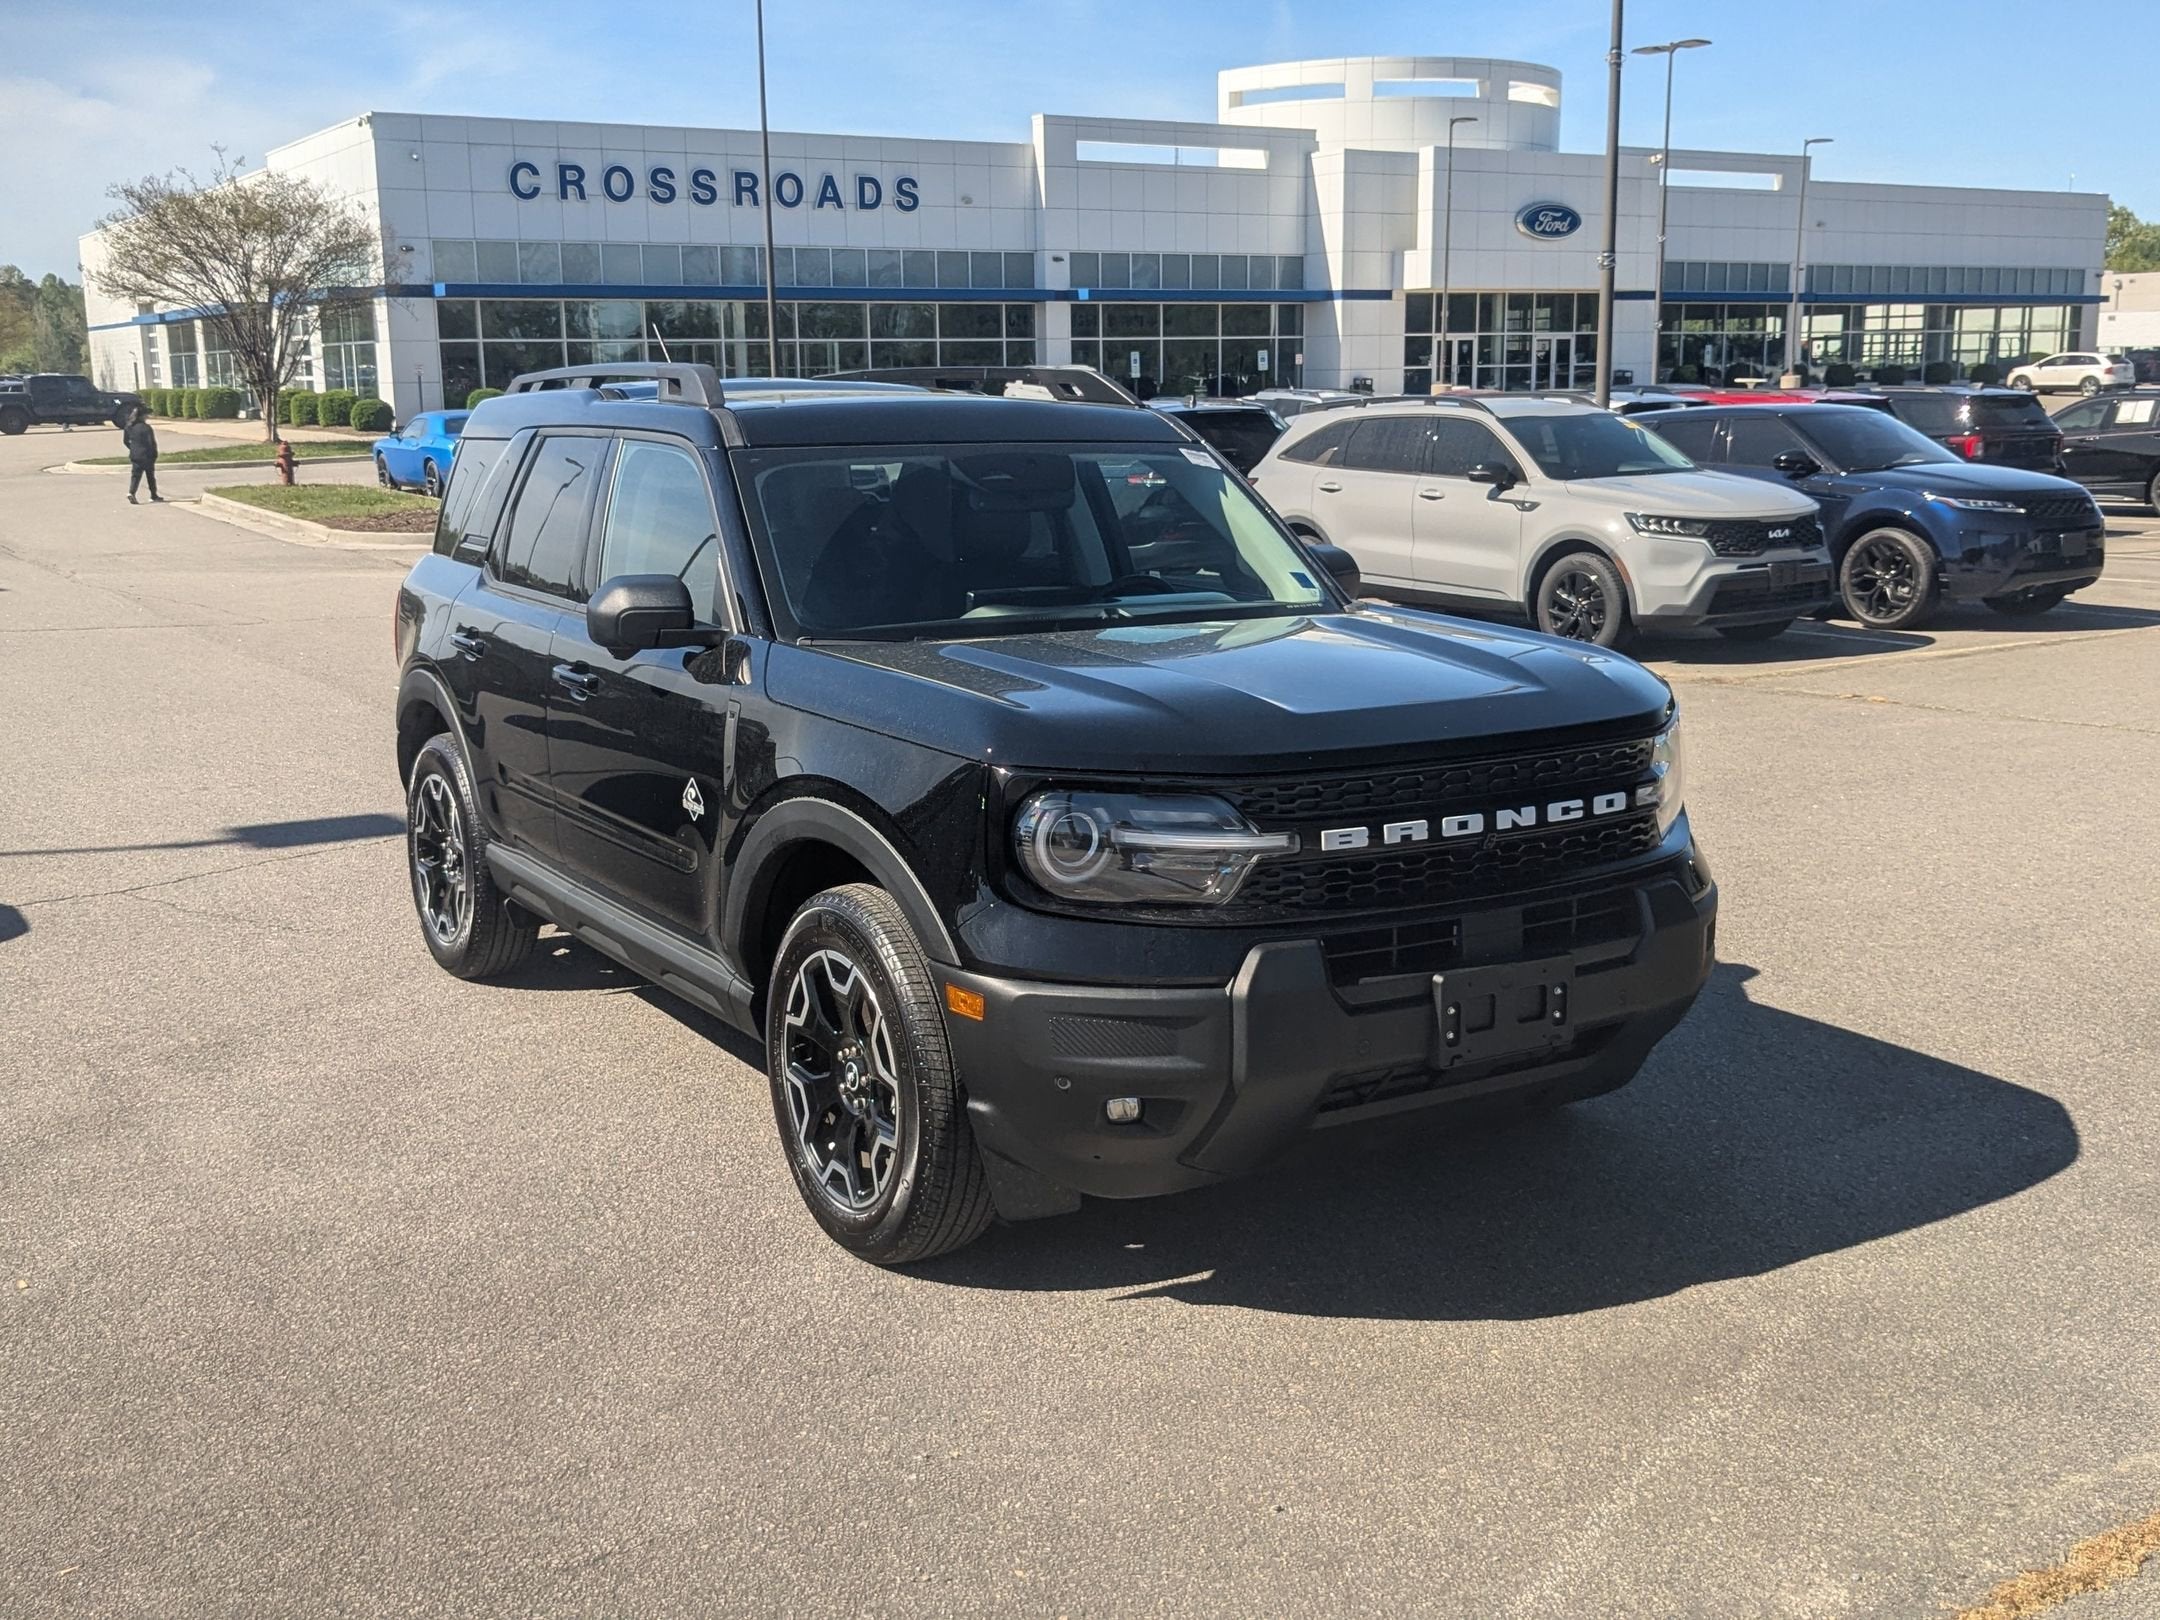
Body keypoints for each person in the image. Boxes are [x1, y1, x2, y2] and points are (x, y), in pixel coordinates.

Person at [123, 405, 161, 504]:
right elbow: (151, 443)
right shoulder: (146, 428)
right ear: (142, 416)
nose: (147, 416)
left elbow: (125, 441)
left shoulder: (129, 427)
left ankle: (131, 492)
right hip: (147, 455)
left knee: (135, 476)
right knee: (150, 476)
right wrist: (154, 453)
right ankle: (153, 495)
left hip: (135, 455)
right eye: (146, 415)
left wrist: (132, 448)